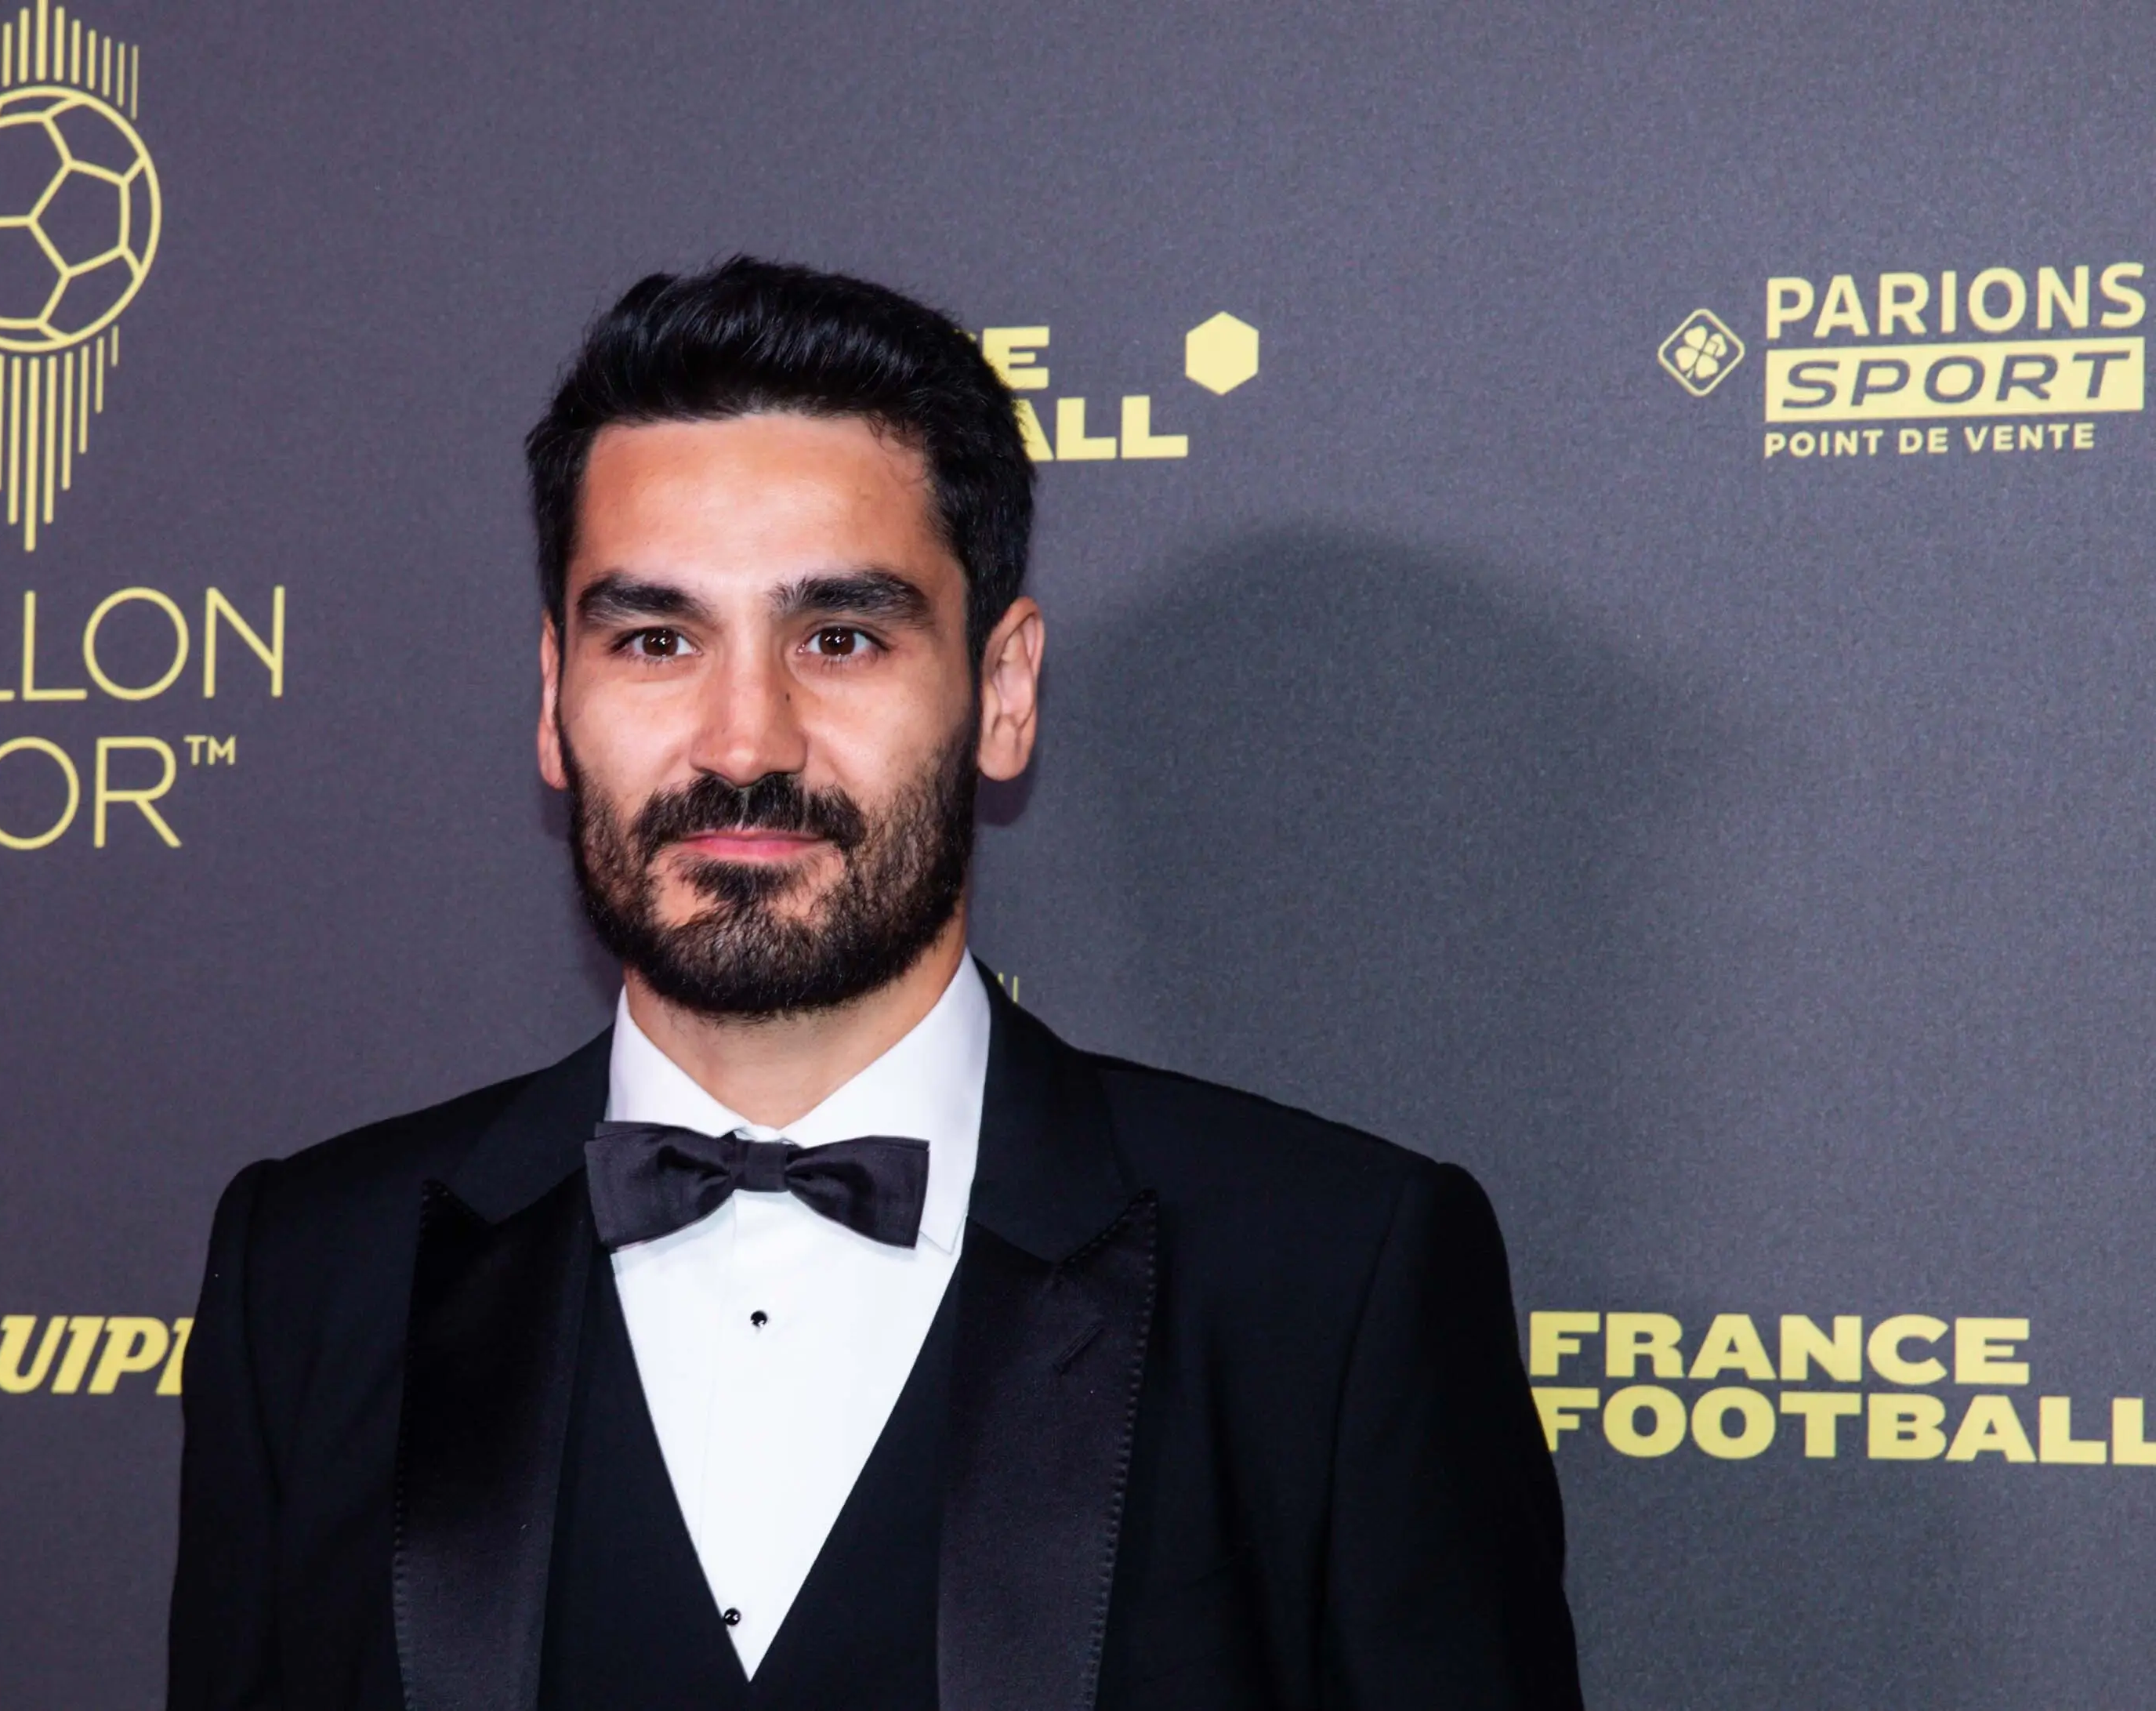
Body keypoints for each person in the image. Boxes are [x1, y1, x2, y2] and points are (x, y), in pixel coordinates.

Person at [166, 256, 1582, 1710]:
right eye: (655, 639)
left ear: (1003, 690)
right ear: (552, 697)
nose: (743, 741)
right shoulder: (315, 1275)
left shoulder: (1329, 1283)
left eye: (838, 638)